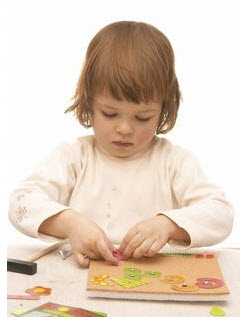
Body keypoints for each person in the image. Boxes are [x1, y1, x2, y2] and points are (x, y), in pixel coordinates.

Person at [9, 21, 233, 268]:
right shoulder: (74, 156)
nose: (125, 129)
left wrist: (168, 225)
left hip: (153, 286)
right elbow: (22, 202)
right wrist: (71, 224)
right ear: (89, 104)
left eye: (142, 117)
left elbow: (221, 214)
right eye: (110, 113)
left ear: (164, 110)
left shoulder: (174, 162)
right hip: (79, 281)